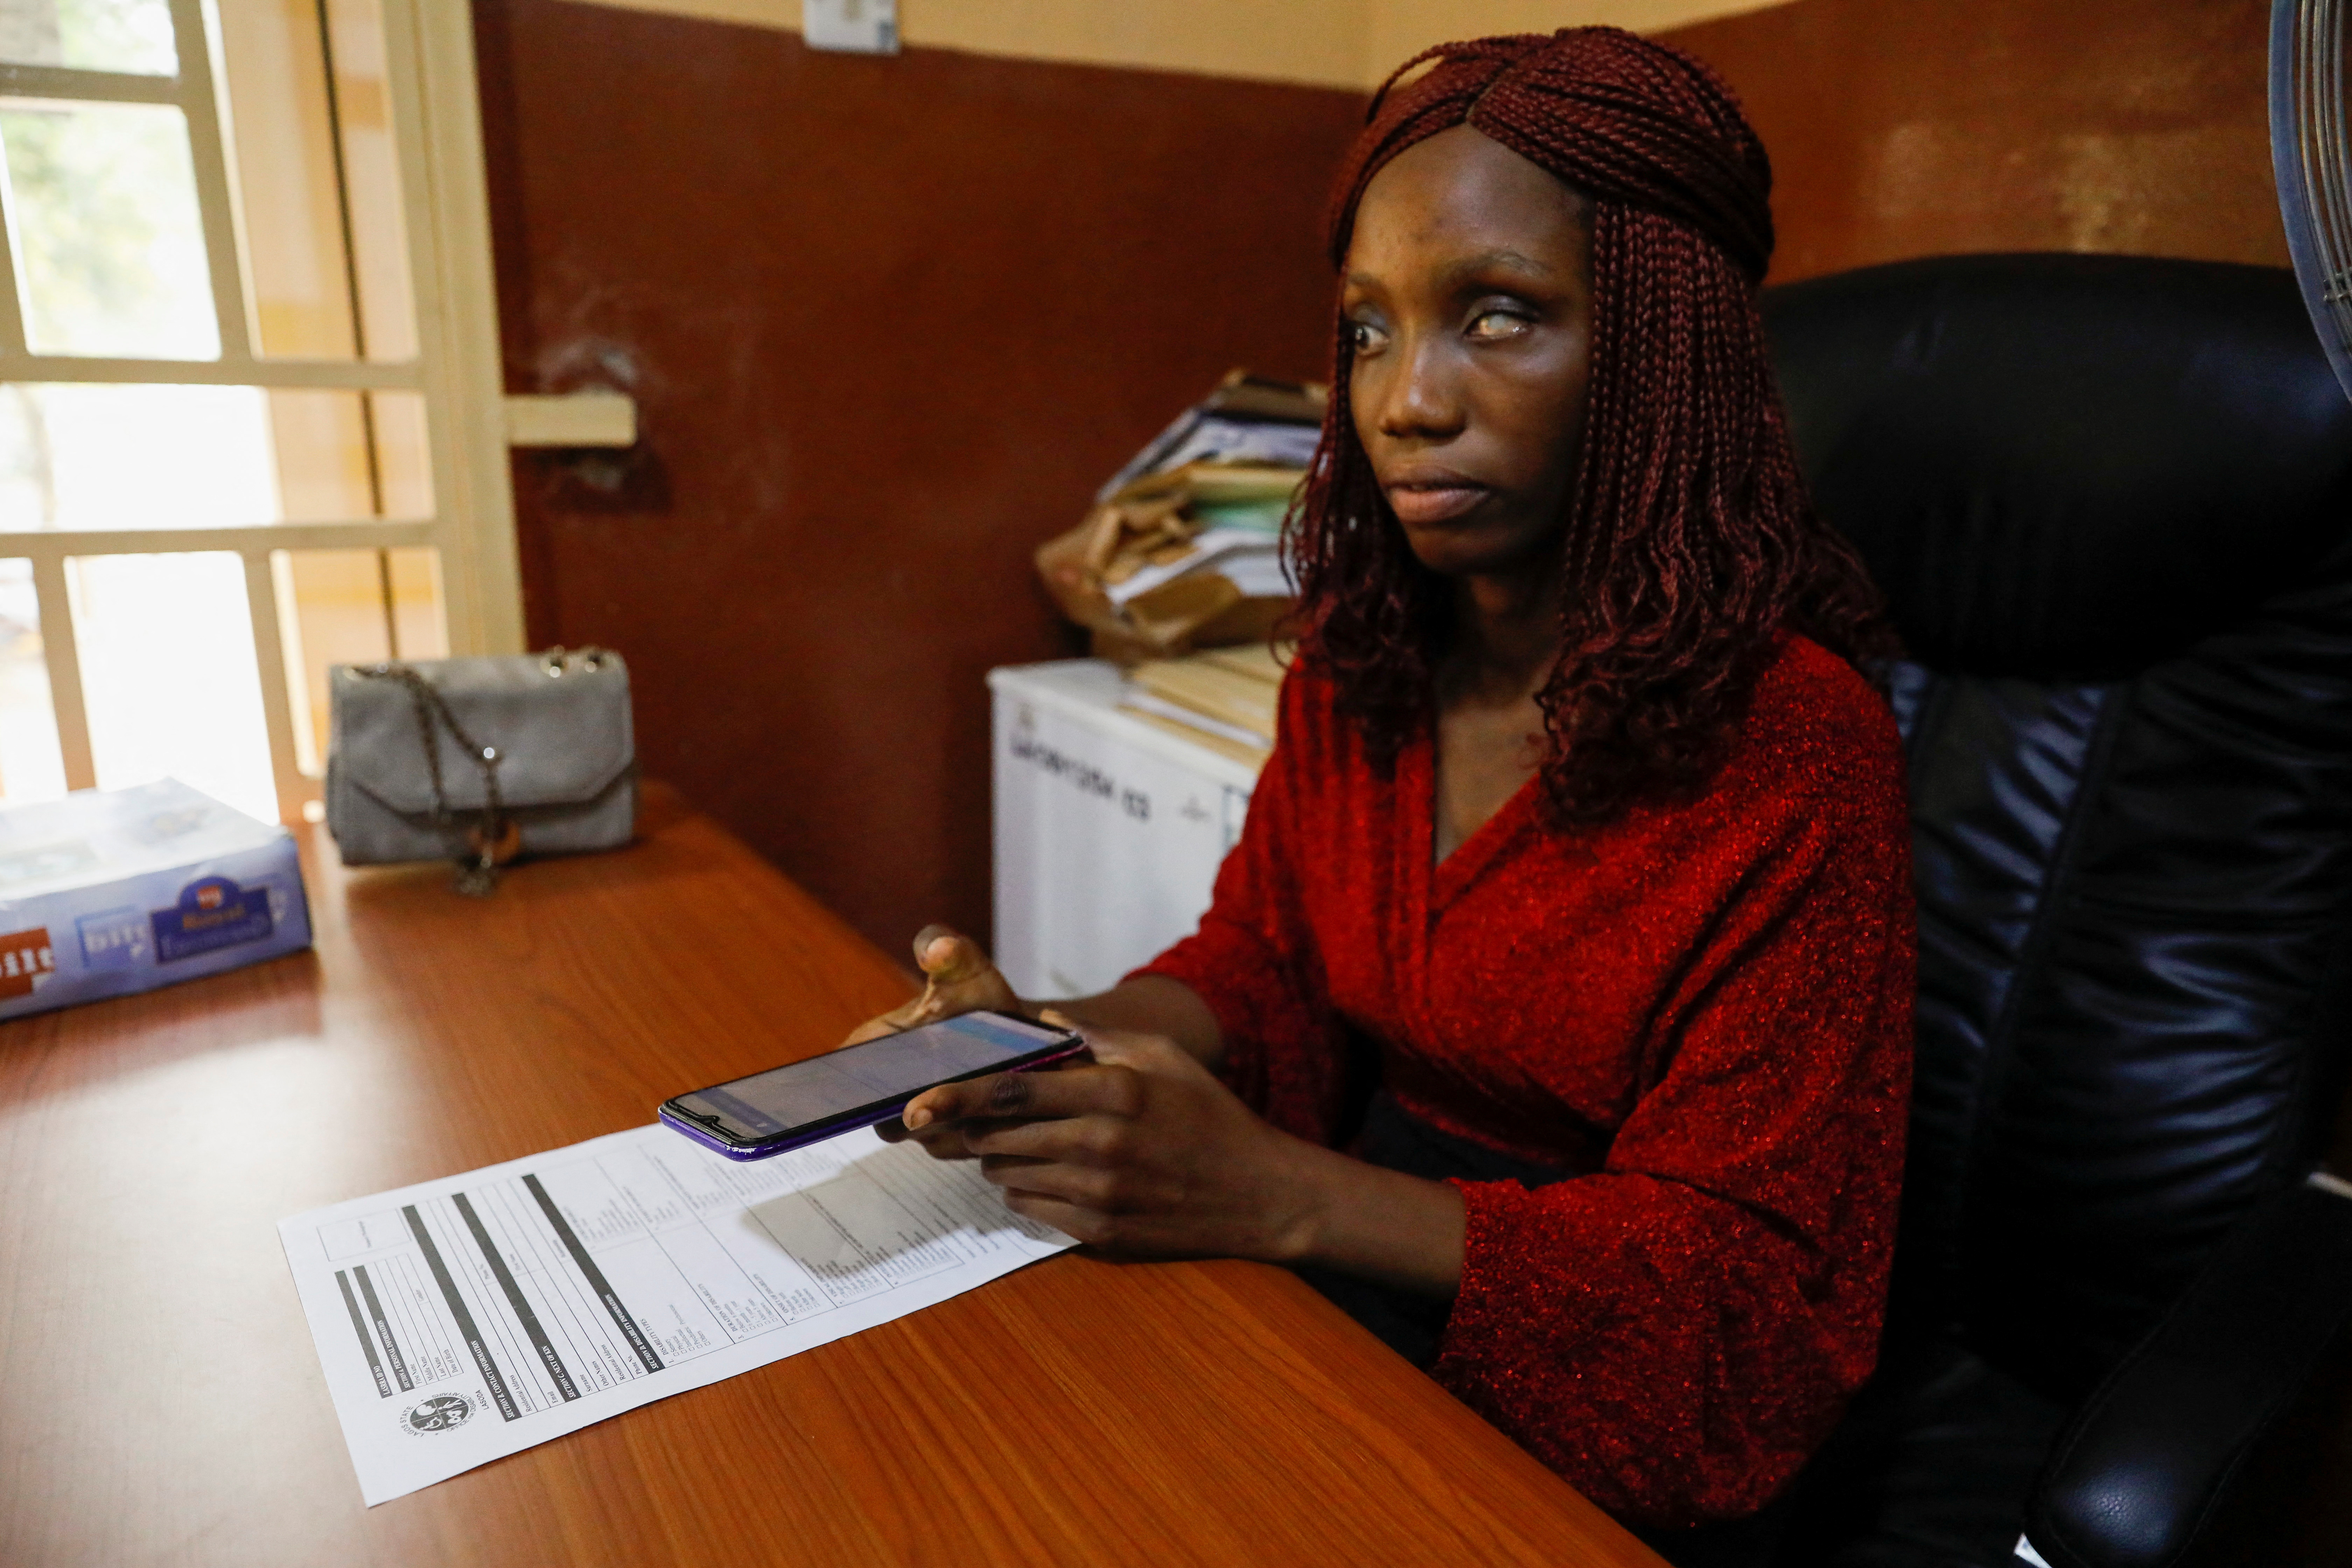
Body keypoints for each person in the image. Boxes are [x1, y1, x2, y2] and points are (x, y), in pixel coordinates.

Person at [843, 27, 1914, 1557]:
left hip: (1592, 1427)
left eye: (1497, 315)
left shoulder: (1799, 749)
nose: (1406, 399)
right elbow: (1260, 966)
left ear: (1657, 345)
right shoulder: (1364, 663)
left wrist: (1282, 1195)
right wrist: (1048, 1037)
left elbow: (1746, 1307)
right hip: (1340, 1305)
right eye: (1365, 330)